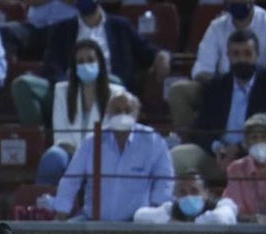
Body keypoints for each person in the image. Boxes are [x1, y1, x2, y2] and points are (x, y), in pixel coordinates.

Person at [12, 0, 170, 127]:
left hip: (107, 86)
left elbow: (147, 51)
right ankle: (37, 140)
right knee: (22, 85)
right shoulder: (63, 28)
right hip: (68, 87)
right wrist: (67, 85)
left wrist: (162, 55)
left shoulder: (120, 26)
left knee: (112, 82)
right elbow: (52, 65)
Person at [171, 30, 266, 184]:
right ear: (228, 56)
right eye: (236, 54)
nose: (241, 59)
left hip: (255, 154)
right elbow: (200, 129)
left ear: (257, 55)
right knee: (179, 157)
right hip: (218, 157)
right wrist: (217, 148)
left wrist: (241, 148)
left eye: (247, 54)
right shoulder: (216, 85)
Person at [167, 0, 266, 134]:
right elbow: (201, 70)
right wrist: (227, 86)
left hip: (260, 89)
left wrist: (245, 81)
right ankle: (191, 143)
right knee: (179, 91)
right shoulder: (217, 26)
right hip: (221, 88)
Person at [53, 91, 173, 222]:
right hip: (91, 220)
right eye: (117, 111)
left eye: (127, 111)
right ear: (108, 114)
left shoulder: (153, 141)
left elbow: (165, 179)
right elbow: (71, 180)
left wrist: (156, 211)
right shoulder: (92, 141)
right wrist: (61, 213)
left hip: (136, 224)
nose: (122, 115)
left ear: (136, 114)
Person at [36, 39, 124, 186]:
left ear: (100, 64)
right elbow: (61, 136)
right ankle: (42, 205)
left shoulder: (117, 94)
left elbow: (114, 138)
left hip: (103, 155)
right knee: (53, 158)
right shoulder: (61, 91)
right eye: (81, 62)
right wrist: (80, 158)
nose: (86, 65)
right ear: (75, 67)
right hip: (70, 152)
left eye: (90, 60)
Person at [133, 171, 237, 225]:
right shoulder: (172, 207)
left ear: (206, 193)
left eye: (194, 191)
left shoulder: (222, 204)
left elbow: (221, 219)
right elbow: (140, 216)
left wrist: (187, 226)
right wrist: (170, 222)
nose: (188, 196)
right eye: (182, 192)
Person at [0, 0, 78, 62]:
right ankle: (8, 75)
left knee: (63, 34)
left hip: (67, 28)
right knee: (7, 31)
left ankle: (56, 75)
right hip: (35, 27)